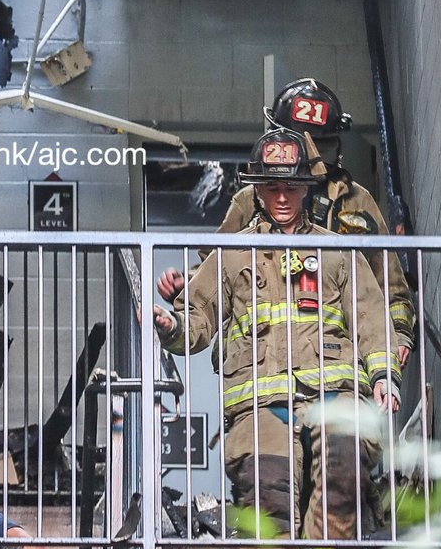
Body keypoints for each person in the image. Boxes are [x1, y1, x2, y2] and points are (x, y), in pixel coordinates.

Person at [153, 128, 401, 549]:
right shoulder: (231, 255)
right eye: (272, 188)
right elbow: (197, 317)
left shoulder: (337, 252)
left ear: (306, 190)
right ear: (258, 191)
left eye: (291, 187)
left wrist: (384, 375)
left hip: (334, 394)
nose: (282, 197)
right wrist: (170, 326)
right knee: (268, 506)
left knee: (345, 471)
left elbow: (371, 316)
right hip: (260, 407)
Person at [158, 77, 416, 366]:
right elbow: (217, 267)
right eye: (304, 145)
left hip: (336, 355)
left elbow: (389, 282)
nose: (315, 157)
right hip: (261, 359)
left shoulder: (357, 200)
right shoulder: (250, 199)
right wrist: (185, 284)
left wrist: (399, 335)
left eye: (323, 146)